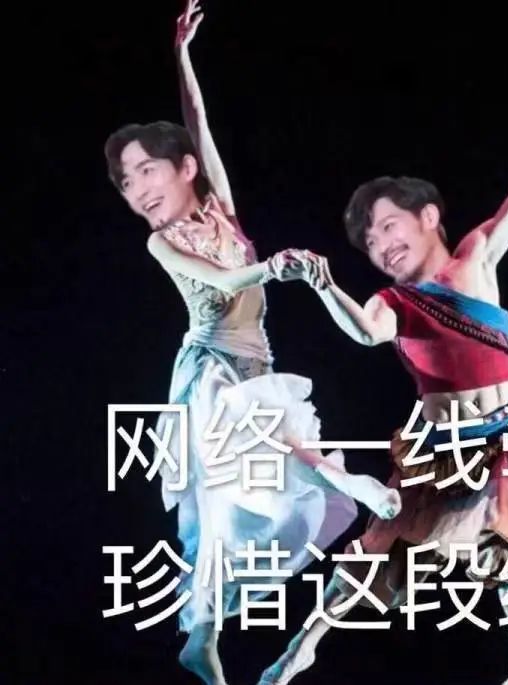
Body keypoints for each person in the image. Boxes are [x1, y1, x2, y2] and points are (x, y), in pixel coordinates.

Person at [258, 60, 508, 685]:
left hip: (504, 432)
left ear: (428, 216)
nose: (381, 245)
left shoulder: (475, 258)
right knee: (385, 545)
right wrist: (324, 285)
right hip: (439, 444)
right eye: (370, 244)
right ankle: (304, 645)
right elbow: (365, 332)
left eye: (388, 226)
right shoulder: (392, 302)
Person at [103, 2, 400, 684]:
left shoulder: (221, 208)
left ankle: (201, 637)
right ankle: (343, 479)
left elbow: (199, 122)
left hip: (255, 364)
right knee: (247, 465)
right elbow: (224, 278)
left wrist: (182, 56)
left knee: (235, 510)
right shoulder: (162, 242)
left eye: (146, 170)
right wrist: (273, 267)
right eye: (125, 180)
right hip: (208, 369)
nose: (137, 187)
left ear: (184, 169)